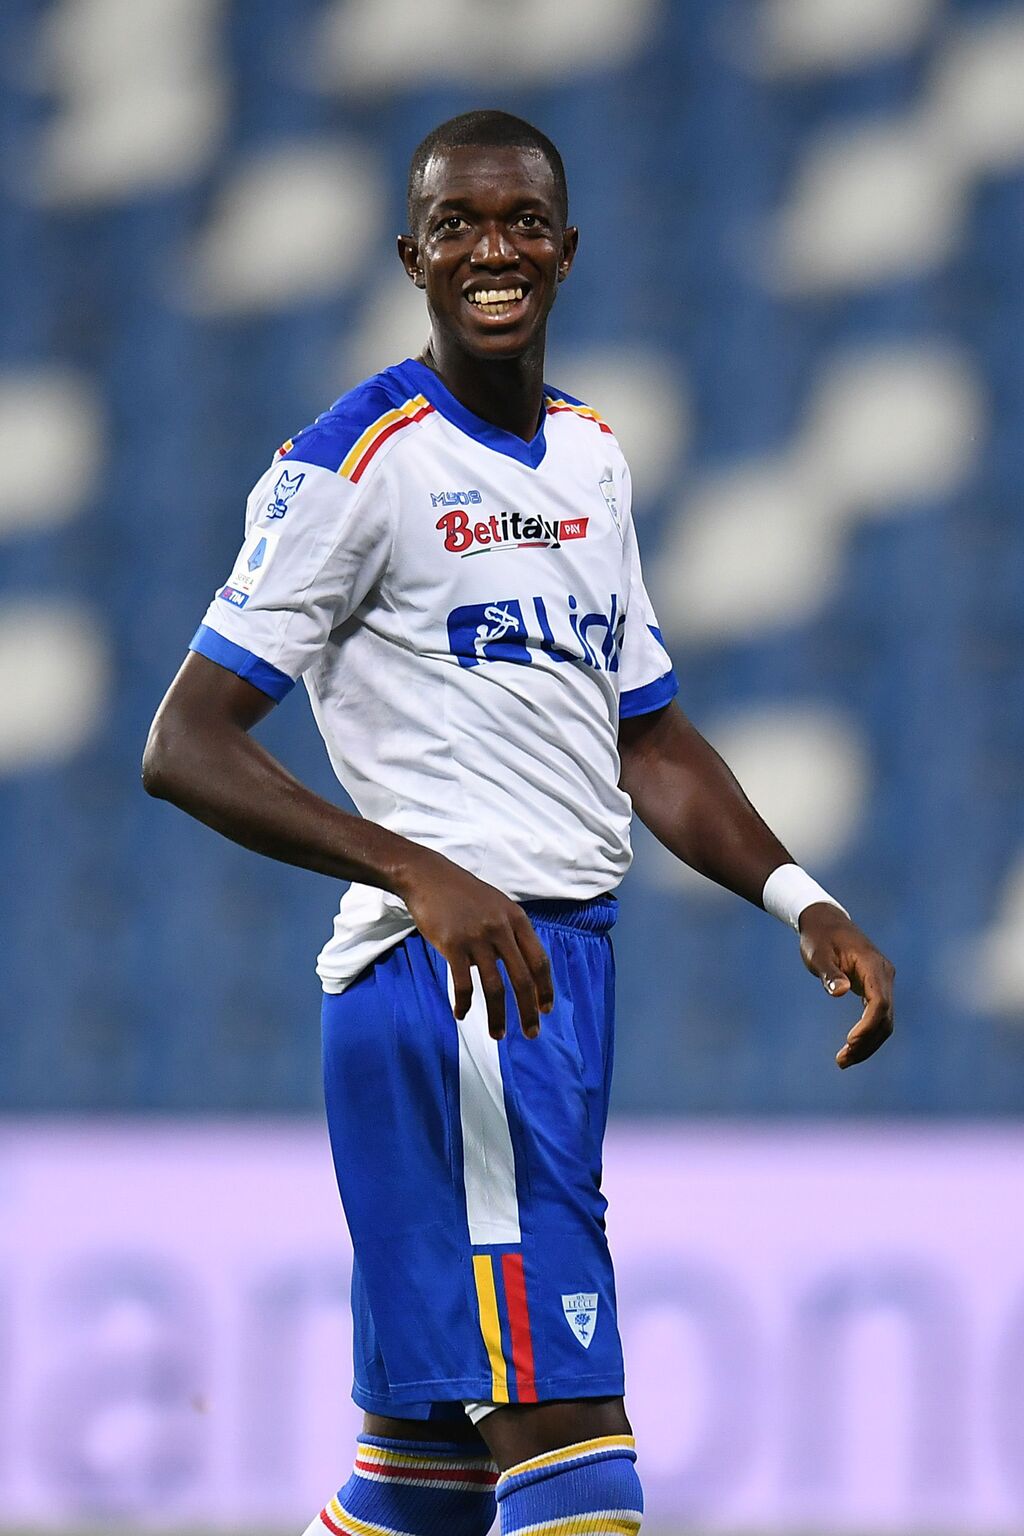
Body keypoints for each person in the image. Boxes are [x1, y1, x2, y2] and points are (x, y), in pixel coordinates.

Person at [143, 110, 895, 1536]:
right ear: (412, 257)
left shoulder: (592, 457)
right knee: (576, 1452)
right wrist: (417, 871)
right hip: (458, 998)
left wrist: (802, 898)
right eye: (459, 225)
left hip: (553, 979)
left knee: (424, 1477)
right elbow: (185, 744)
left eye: (521, 222)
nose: (493, 250)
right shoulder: (357, 461)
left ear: (566, 248)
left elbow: (648, 737)